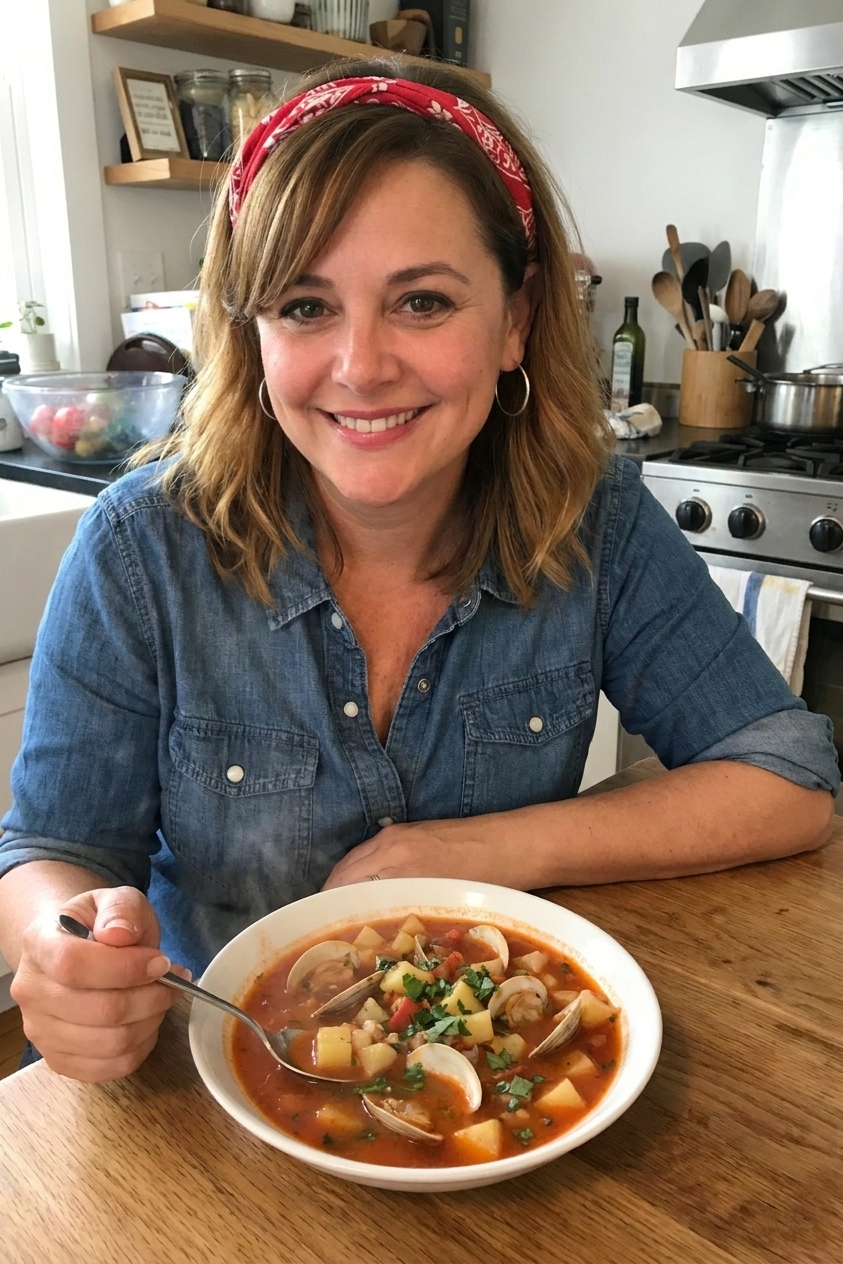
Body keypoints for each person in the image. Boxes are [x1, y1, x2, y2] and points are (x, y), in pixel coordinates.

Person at [0, 60, 837, 1084]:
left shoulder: (597, 519)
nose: (360, 365)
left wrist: (483, 848)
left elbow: (790, 784)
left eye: (424, 302)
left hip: (499, 1065)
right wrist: (65, 940)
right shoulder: (140, 547)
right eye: (305, 306)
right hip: (205, 1086)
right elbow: (50, 851)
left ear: (516, 320)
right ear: (250, 329)